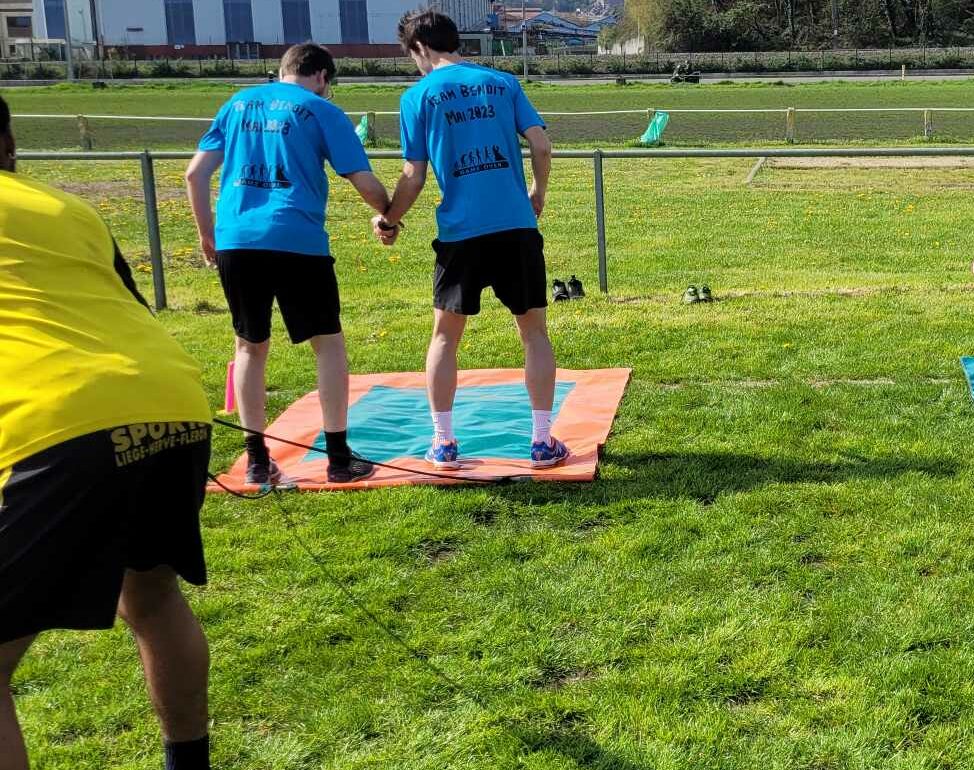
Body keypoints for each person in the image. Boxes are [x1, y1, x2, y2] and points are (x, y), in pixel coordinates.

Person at [0, 94, 216, 770]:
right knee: (151, 594)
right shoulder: (64, 206)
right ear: (9, 146)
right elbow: (126, 304)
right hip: (171, 400)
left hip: (61, 423)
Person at [371, 10, 569, 471]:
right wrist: (537, 192)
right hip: (515, 226)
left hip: (460, 234)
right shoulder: (503, 83)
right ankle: (541, 442)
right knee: (533, 333)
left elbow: (413, 175)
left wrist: (390, 219)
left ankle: (443, 443)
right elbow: (541, 145)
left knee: (445, 337)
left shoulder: (417, 96)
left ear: (420, 47)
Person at [185, 43, 390, 485]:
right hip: (297, 239)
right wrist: (389, 214)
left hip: (238, 240)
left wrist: (207, 235)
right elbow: (363, 180)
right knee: (327, 343)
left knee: (249, 346)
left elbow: (195, 173)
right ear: (322, 77)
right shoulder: (321, 109)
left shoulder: (237, 104)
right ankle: (338, 457)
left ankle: (257, 459)